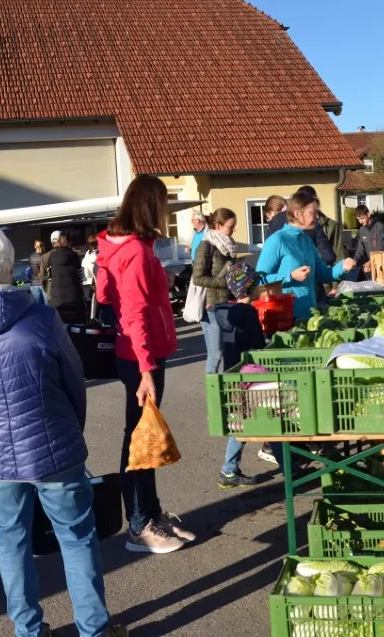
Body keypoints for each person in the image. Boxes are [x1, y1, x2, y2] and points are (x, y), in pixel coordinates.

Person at [0, 226, 128, 637]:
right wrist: (72, 431)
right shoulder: (42, 319)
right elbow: (74, 378)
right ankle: (94, 630)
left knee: (12, 545)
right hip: (54, 447)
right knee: (77, 538)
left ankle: (28, 631)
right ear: (8, 264)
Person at [96, 175, 192, 554]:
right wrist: (147, 369)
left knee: (142, 437)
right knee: (140, 440)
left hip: (134, 353)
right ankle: (140, 525)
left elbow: (106, 294)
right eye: (163, 203)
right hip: (141, 357)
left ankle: (150, 515)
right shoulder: (134, 251)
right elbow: (133, 311)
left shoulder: (117, 246)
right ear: (151, 206)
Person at [214, 262, 283, 486]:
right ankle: (288, 468)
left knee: (242, 422)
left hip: (233, 376)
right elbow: (257, 347)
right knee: (273, 414)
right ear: (250, 287)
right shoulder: (249, 314)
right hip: (250, 377)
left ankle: (229, 469)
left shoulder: (225, 312)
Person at [256, 194, 356, 321]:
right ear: (297, 213)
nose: (316, 217)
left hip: (310, 317)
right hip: (285, 318)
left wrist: (342, 267)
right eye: (312, 213)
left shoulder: (307, 240)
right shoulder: (277, 240)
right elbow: (259, 279)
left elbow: (322, 274)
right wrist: (290, 276)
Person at [191, 208, 239, 374]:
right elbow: (198, 278)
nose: (233, 230)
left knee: (229, 353)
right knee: (215, 354)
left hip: (227, 305)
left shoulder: (228, 246)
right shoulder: (206, 246)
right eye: (231, 226)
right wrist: (224, 282)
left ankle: (226, 393)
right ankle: (213, 394)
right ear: (218, 226)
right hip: (210, 307)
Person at [46, 232, 87, 325]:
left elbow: (49, 277)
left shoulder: (51, 256)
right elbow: (80, 277)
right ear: (69, 242)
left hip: (57, 299)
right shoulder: (74, 255)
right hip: (74, 298)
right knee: (77, 327)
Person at [351, 206, 384, 279]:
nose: (360, 221)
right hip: (371, 268)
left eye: (362, 218)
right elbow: (360, 249)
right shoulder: (362, 230)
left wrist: (370, 262)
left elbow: (381, 249)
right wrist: (354, 261)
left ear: (368, 214)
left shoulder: (381, 227)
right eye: (358, 219)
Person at [81, 234, 99, 313]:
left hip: (95, 285)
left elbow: (87, 275)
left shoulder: (87, 257)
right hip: (107, 285)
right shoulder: (105, 254)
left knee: (94, 309)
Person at [28, 239, 47, 305]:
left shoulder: (31, 256)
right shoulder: (44, 257)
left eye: (42, 246)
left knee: (38, 307)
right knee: (47, 307)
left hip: (34, 284)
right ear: (35, 246)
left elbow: (30, 271)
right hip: (43, 284)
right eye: (40, 246)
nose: (41, 247)